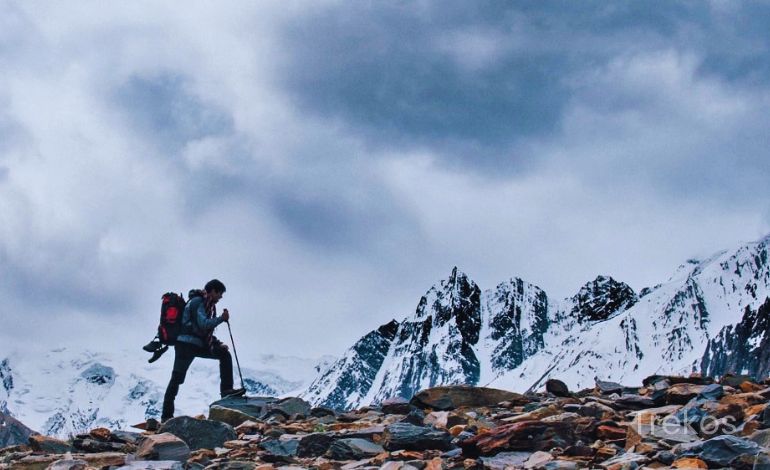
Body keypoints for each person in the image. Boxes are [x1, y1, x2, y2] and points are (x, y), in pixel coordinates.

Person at [161, 279, 244, 422]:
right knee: (177, 378)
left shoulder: (205, 304)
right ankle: (166, 416)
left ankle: (226, 390)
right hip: (186, 345)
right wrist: (221, 319)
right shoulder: (198, 302)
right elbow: (204, 324)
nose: (221, 297)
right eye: (220, 294)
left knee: (223, 354)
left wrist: (216, 343)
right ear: (213, 291)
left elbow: (202, 329)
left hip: (194, 344)